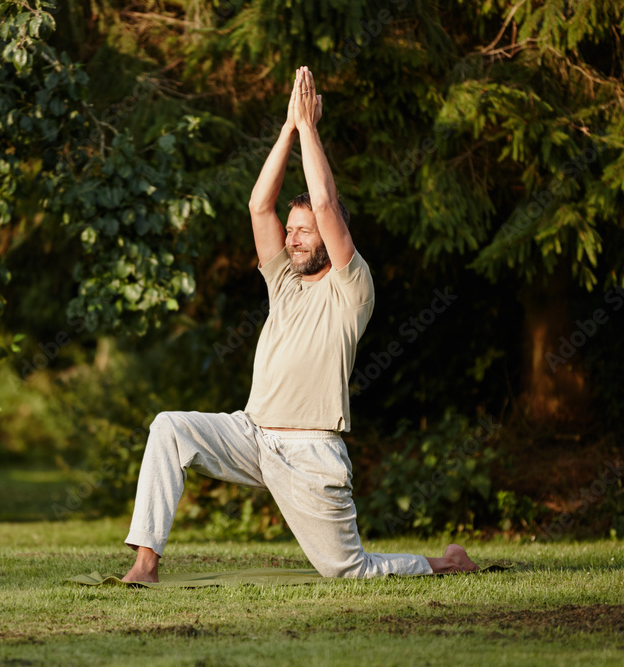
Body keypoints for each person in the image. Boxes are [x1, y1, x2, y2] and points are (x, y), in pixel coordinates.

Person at [121, 66, 478, 583]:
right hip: (252, 433)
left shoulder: (353, 288)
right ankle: (145, 564)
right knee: (169, 428)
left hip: (311, 451)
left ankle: (446, 563)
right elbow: (258, 206)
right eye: (290, 231)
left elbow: (326, 203)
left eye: (305, 232)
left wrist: (310, 127)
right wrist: (288, 127)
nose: (292, 239)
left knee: (347, 570)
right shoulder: (284, 283)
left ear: (331, 237)